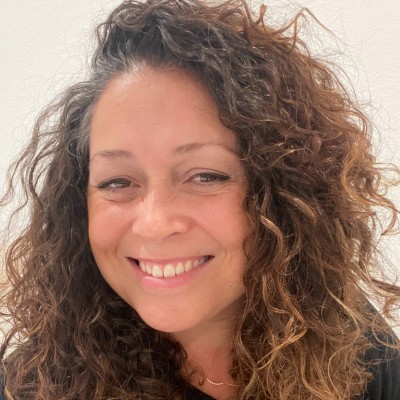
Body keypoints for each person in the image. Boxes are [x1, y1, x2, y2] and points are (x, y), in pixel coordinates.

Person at [0, 0, 399, 399]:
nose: (154, 223)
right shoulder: (32, 387)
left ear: (284, 193)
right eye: (118, 182)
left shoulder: (356, 349)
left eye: (205, 176)